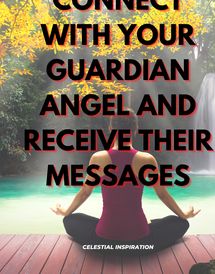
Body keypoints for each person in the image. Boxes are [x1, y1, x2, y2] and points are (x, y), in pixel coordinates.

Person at [51, 108, 200, 253]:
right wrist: (184, 214)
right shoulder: (147, 159)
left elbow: (84, 192)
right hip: (140, 239)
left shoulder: (98, 158)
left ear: (110, 128)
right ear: (135, 129)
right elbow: (162, 194)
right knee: (180, 223)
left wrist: (65, 211)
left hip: (104, 239)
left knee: (70, 220)